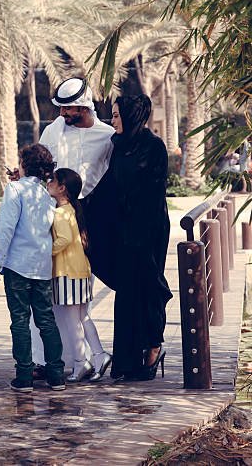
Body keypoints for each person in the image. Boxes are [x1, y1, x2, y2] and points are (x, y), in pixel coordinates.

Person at [85, 94, 173, 382]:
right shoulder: (119, 146)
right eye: (112, 114)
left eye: (117, 115)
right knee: (127, 294)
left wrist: (137, 231)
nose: (113, 120)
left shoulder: (154, 147)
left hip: (148, 231)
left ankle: (153, 346)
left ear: (133, 116)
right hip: (124, 232)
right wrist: (79, 209)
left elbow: (151, 193)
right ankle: (127, 362)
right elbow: (109, 185)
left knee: (147, 288)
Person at [34, 77, 115, 372]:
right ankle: (48, 360)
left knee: (78, 298)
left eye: (69, 110)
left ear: (84, 107)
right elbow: (42, 169)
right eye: (61, 109)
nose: (63, 115)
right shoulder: (52, 131)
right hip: (54, 212)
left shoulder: (107, 136)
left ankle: (80, 359)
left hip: (90, 218)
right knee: (51, 292)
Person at [0, 144, 65, 393]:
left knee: (20, 321)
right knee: (46, 320)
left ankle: (24, 377)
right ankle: (56, 376)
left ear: (23, 164)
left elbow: (6, 228)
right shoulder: (46, 194)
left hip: (17, 267)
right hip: (42, 266)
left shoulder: (14, 189)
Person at [47, 168, 112, 382]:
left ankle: (80, 362)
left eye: (52, 181)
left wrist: (45, 252)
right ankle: (99, 356)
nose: (48, 183)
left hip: (67, 272)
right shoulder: (72, 209)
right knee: (83, 317)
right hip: (80, 270)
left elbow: (63, 239)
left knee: (73, 321)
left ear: (62, 188)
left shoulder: (59, 213)